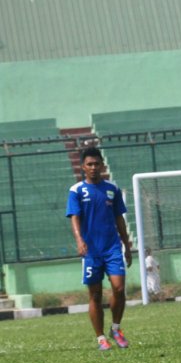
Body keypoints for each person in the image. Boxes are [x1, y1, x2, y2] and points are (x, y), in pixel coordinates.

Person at [66, 145, 134, 351]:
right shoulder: (76, 190)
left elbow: (119, 219)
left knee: (119, 288)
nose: (94, 167)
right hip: (91, 251)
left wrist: (127, 245)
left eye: (97, 164)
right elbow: (74, 218)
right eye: (90, 164)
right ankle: (101, 338)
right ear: (83, 167)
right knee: (95, 295)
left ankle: (116, 328)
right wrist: (79, 240)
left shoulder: (112, 189)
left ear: (102, 166)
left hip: (112, 247)